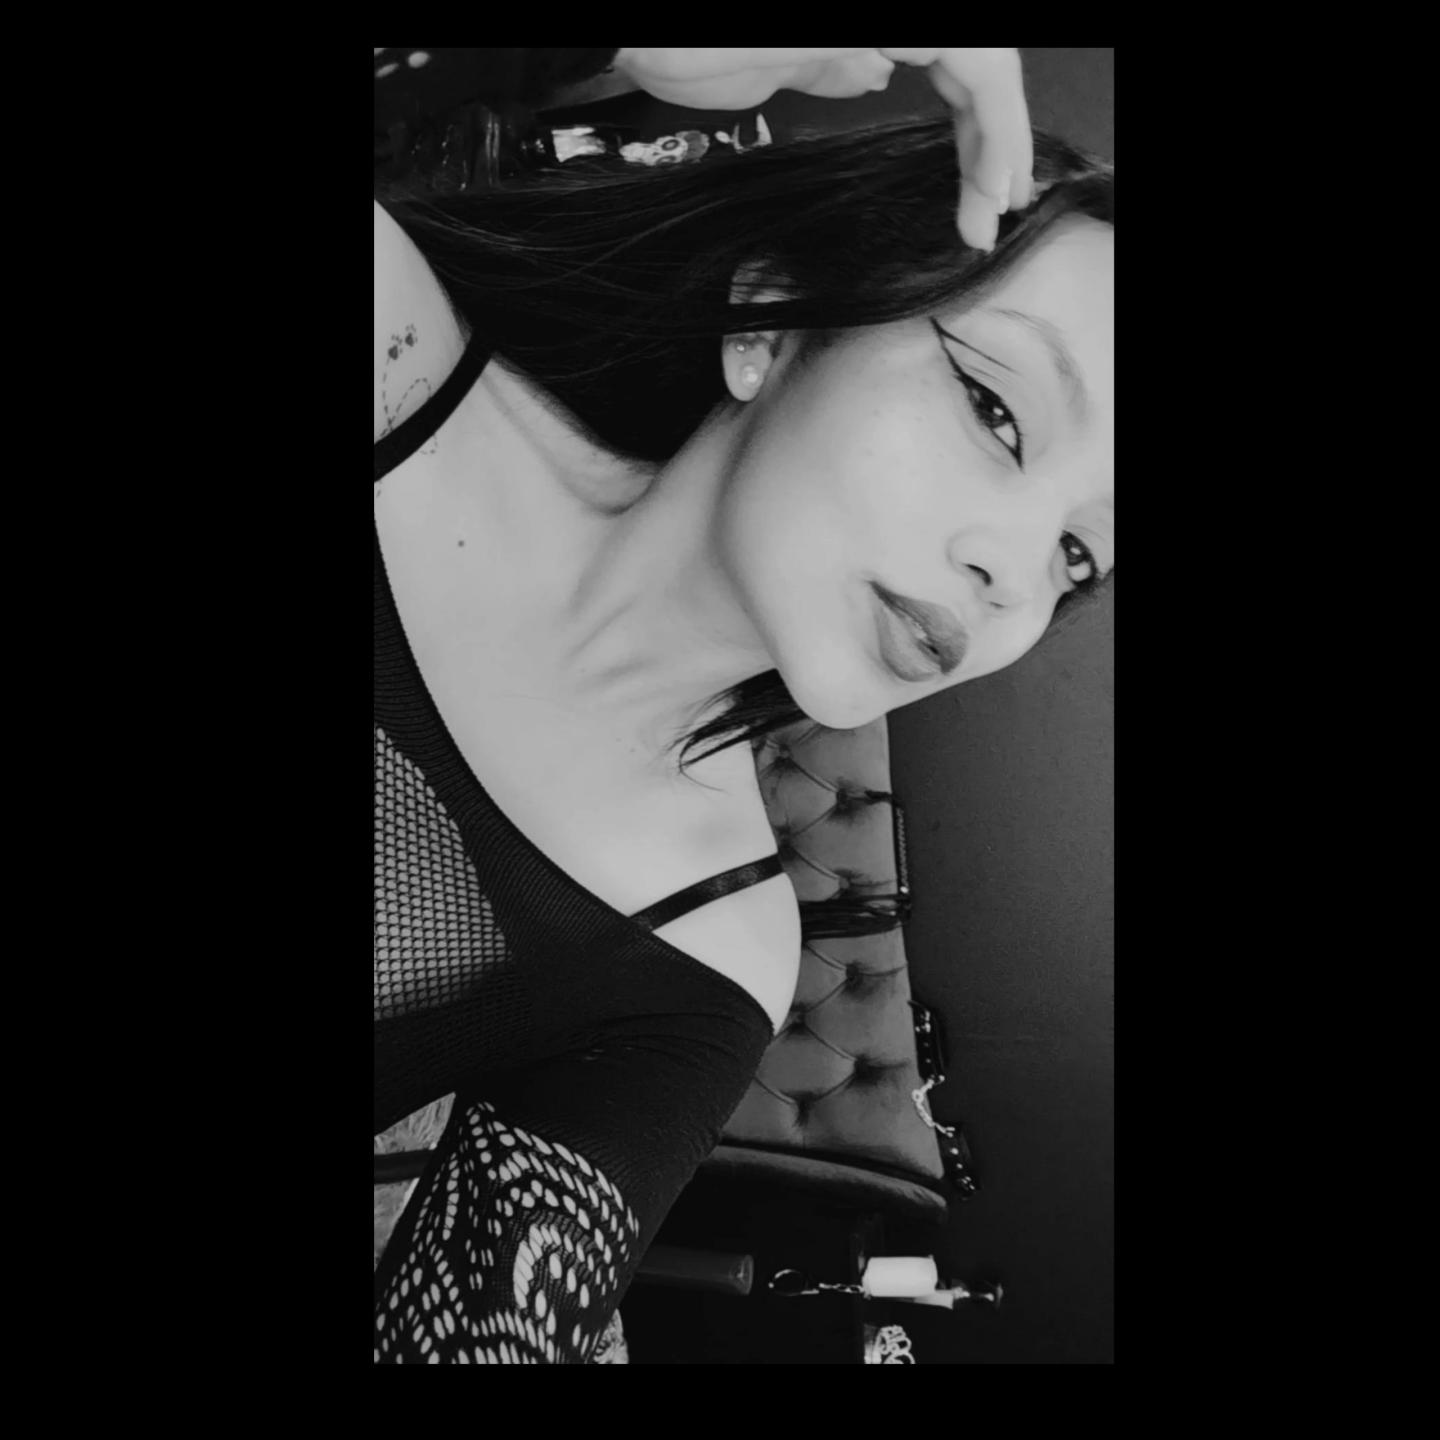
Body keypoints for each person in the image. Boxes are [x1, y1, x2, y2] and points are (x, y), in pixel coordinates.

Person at [374, 48, 1113, 1363]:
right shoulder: (394, 362)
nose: (1015, 575)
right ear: (769, 323)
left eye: (1081, 554)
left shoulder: (713, 946)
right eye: (998, 411)